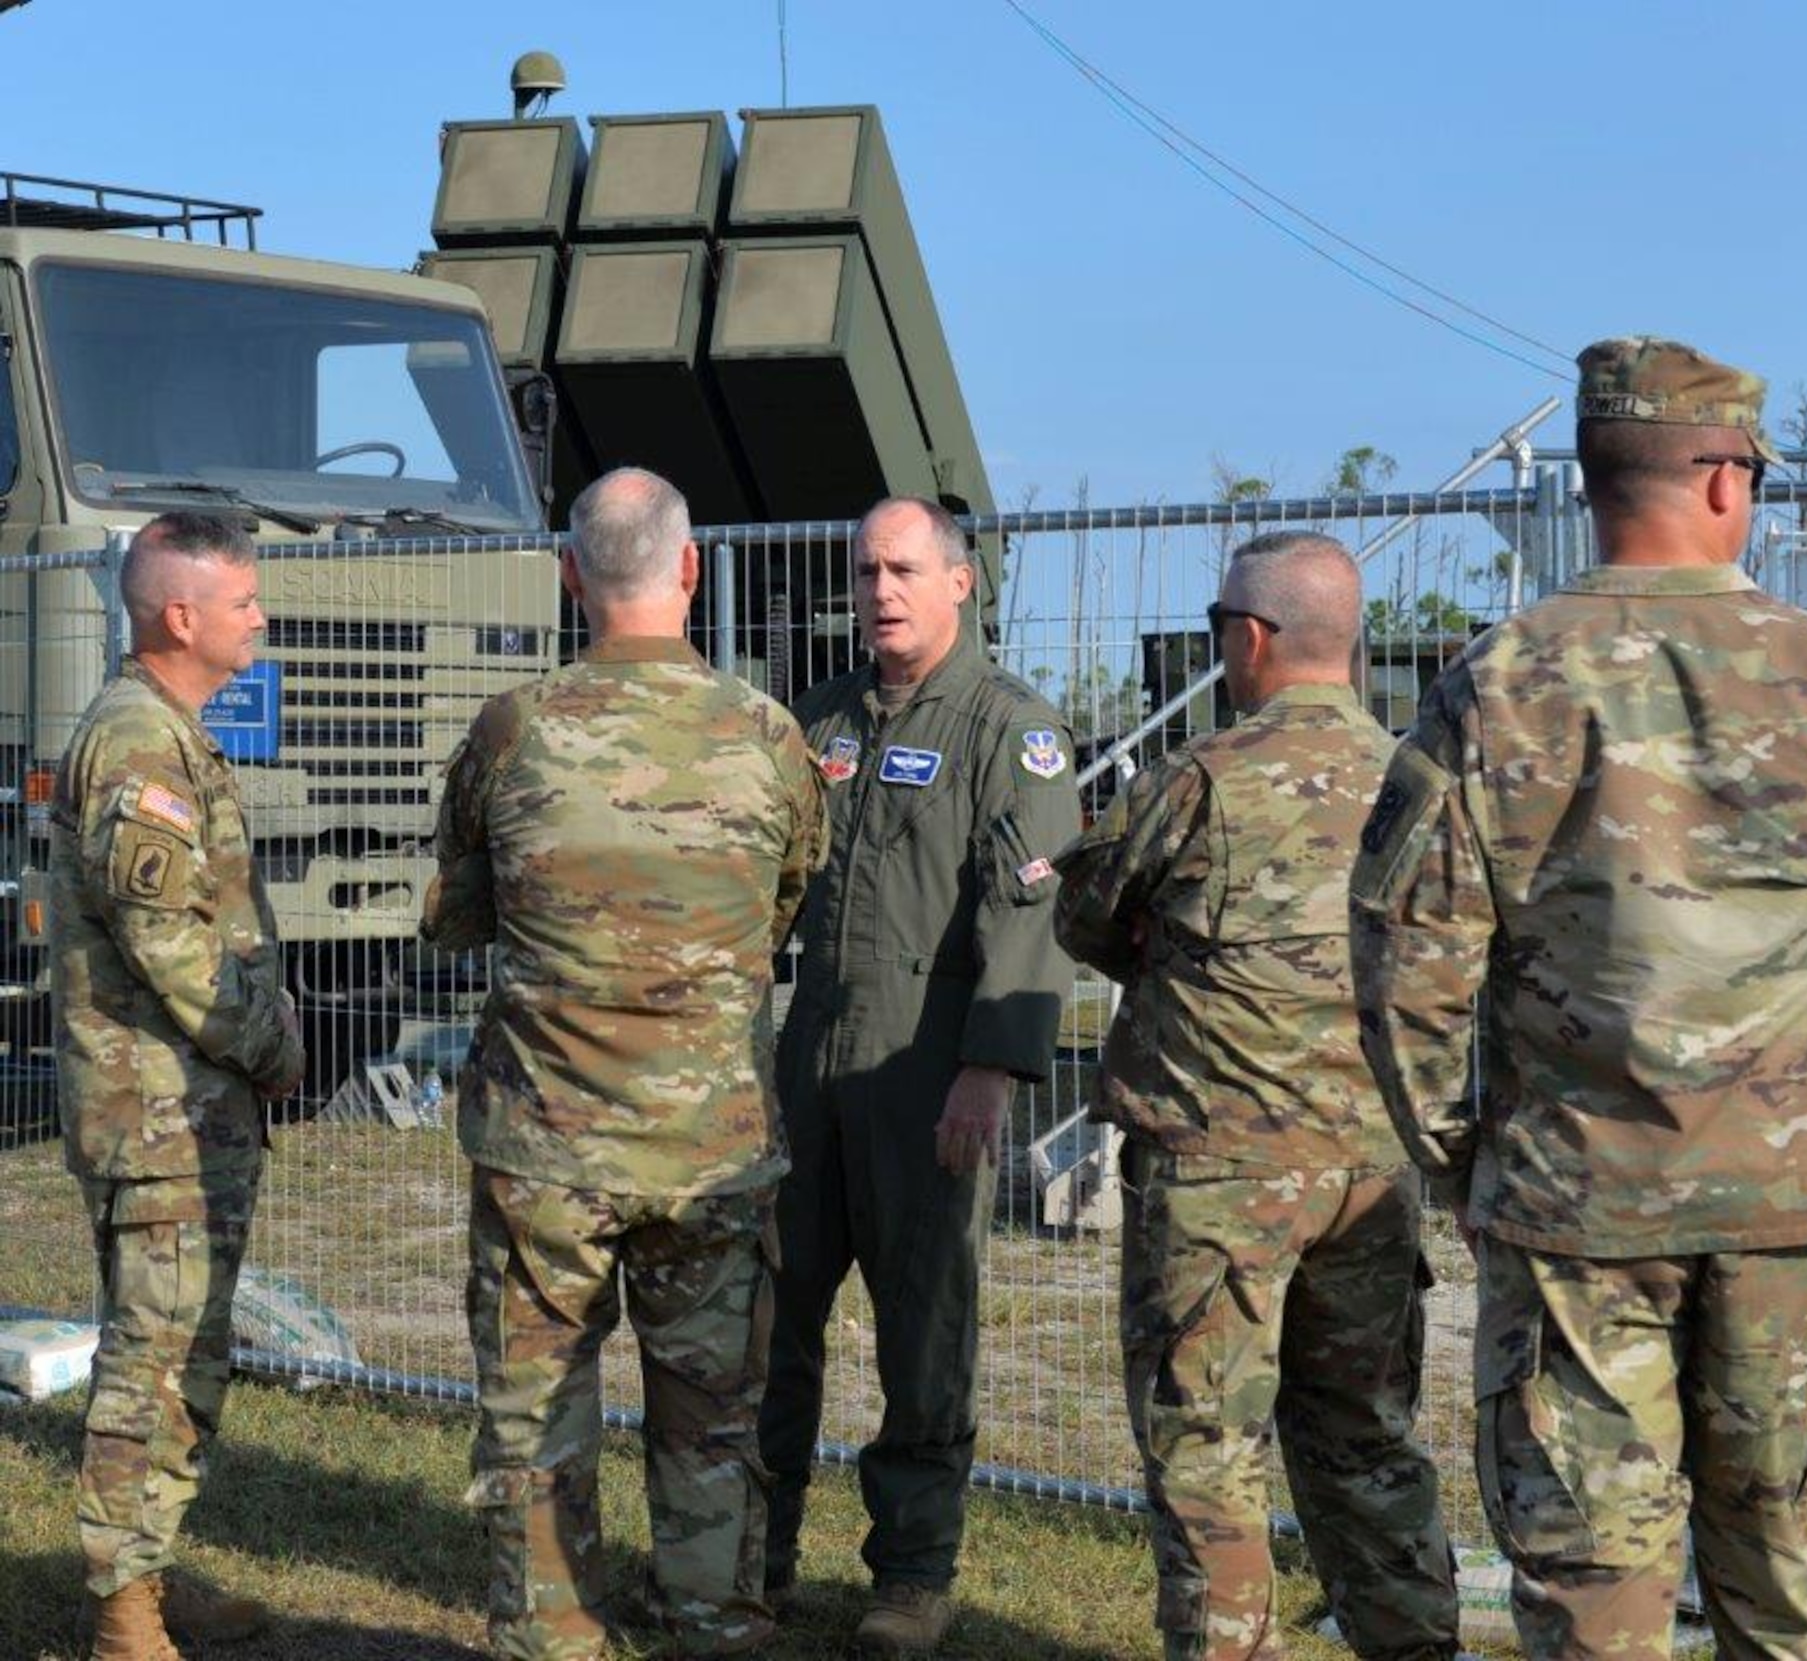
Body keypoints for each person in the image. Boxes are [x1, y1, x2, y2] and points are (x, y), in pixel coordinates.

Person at [1350, 337, 1807, 1661]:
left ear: (1595, 483)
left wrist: (1469, 1164)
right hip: (1793, 1213)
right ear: (1722, 480)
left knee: (1594, 1605)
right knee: (1788, 1600)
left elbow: (1403, 956)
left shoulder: (1500, 683)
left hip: (1576, 1212)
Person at [424, 467, 826, 1661]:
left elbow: (457, 912)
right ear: (689, 569)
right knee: (710, 1415)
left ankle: (550, 1631)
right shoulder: (767, 736)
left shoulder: (514, 729)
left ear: (569, 576)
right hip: (710, 1145)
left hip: (544, 1146)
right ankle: (711, 1618)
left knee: (534, 1411)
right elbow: (779, 908)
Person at [1053, 532, 1460, 1661]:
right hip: (1371, 1173)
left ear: (1247, 636)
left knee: (1206, 1444)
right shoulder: (1418, 783)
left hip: (1217, 1179)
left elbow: (1087, 915)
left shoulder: (1199, 780)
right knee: (1365, 1434)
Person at [757, 496, 1081, 1655]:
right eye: (863, 570)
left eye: (902, 568)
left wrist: (991, 1069)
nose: (879, 590)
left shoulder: (1011, 729)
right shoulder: (823, 719)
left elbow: (1026, 913)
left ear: (960, 582)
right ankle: (753, 1556)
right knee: (768, 1315)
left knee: (922, 1334)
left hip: (923, 1072)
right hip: (812, 1069)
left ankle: (908, 1576)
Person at [50, 511, 307, 1661]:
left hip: (190, 1113)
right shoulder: (138, 744)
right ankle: (120, 1611)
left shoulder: (172, 731)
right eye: (243, 599)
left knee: (188, 1354)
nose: (261, 614)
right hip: (155, 1113)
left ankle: (150, 1567)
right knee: (150, 1364)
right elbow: (172, 950)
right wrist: (274, 1043)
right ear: (180, 616)